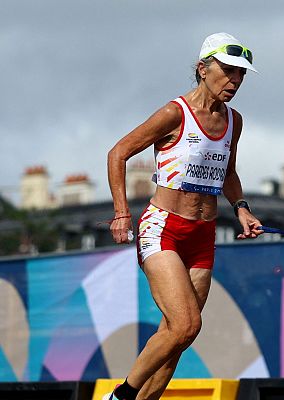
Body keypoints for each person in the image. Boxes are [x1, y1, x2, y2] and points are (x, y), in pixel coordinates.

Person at [105, 32, 263, 400]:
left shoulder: (233, 121)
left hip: (202, 236)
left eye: (241, 74)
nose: (236, 81)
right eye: (228, 71)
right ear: (202, 68)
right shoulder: (175, 112)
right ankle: (121, 395)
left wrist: (242, 209)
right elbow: (118, 153)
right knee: (186, 323)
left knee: (179, 340)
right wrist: (121, 213)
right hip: (163, 229)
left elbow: (229, 172)